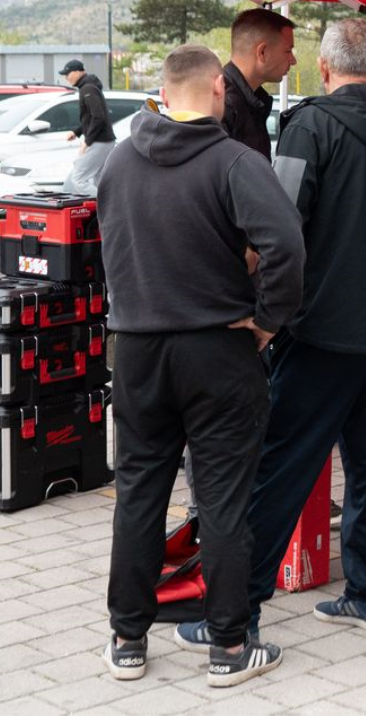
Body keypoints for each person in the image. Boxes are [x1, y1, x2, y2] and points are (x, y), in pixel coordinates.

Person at [179, 16, 366, 640]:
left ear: (324, 68)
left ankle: (233, 617)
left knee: (281, 469)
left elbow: (279, 226)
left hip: (320, 328)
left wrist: (268, 312)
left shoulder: (309, 127)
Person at [97, 44, 304, 689]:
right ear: (219, 87)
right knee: (223, 501)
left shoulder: (118, 160)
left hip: (138, 348)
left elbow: (112, 244)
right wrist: (268, 320)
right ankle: (229, 647)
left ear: (164, 92)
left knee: (139, 493)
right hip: (217, 349)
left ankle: (128, 640)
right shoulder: (235, 161)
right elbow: (287, 245)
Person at [221, 8, 297, 158]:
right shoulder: (221, 103)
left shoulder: (252, 102)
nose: (293, 61)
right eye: (288, 51)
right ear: (262, 52)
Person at [61, 59, 117, 153]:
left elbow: (98, 117)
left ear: (77, 72)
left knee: (81, 163)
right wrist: (77, 132)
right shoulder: (86, 87)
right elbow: (90, 119)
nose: (66, 78)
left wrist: (87, 142)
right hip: (100, 141)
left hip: (100, 142)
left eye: (68, 74)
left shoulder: (88, 88)